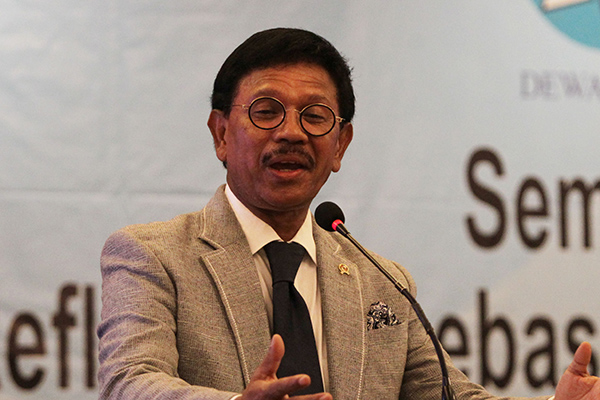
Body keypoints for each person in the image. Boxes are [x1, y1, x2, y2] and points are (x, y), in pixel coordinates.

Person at [97, 27, 600, 400]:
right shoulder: (153, 255)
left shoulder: (382, 281)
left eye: (314, 116)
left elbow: (450, 395)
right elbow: (128, 382)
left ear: (340, 144)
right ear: (221, 133)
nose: (291, 133)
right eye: (267, 111)